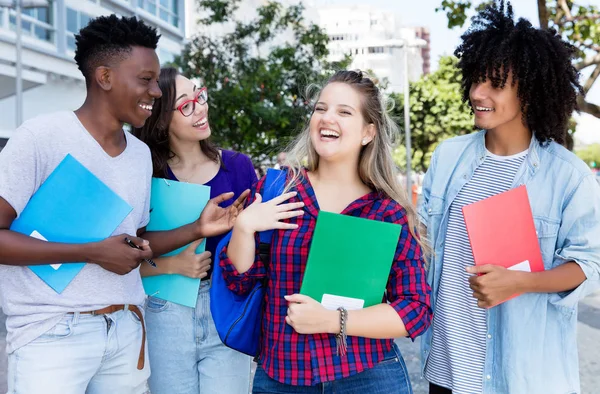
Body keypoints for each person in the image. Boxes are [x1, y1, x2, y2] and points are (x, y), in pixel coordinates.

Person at [0, 16, 245, 394]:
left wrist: (198, 229)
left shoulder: (140, 156)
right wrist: (91, 252)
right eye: (145, 80)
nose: (157, 92)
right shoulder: (40, 136)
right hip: (52, 334)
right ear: (105, 77)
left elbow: (135, 244)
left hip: (129, 332)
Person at [418, 2, 600, 393]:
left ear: (529, 92)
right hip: (446, 372)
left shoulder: (567, 176)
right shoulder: (448, 156)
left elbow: (590, 264)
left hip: (519, 377)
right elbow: (422, 241)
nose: (477, 94)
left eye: (496, 84)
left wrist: (521, 281)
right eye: (475, 80)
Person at [220, 70, 432, 393]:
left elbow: (415, 309)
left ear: (368, 132)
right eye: (320, 108)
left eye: (344, 112)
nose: (326, 117)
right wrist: (244, 226)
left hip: (368, 377)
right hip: (283, 377)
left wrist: (333, 321)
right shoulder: (280, 189)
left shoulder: (387, 211)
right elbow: (239, 281)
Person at [132, 67, 257, 394]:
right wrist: (173, 265)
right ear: (161, 120)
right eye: (186, 105)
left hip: (225, 303)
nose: (200, 108)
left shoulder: (238, 167)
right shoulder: (146, 174)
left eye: (199, 96)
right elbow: (122, 255)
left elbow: (259, 249)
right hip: (163, 308)